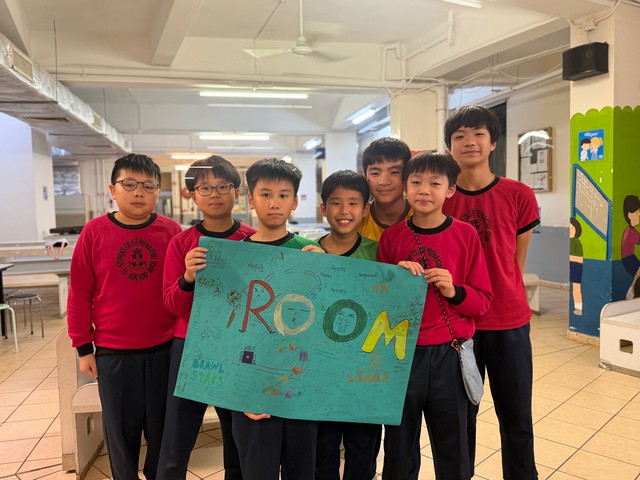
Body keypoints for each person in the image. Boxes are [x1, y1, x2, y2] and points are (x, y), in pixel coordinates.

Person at [67, 153, 183, 480]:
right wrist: (83, 348)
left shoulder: (171, 231)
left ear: (157, 191)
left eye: (148, 185)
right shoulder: (94, 232)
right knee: (119, 434)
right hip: (113, 354)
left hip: (164, 350)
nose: (138, 193)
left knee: (164, 431)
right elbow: (79, 293)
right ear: (112, 190)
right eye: (129, 184)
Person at [378, 151, 492, 480]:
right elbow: (379, 306)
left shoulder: (466, 235)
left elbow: (482, 301)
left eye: (435, 183)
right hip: (401, 355)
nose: (424, 190)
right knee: (398, 447)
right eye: (416, 182)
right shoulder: (392, 238)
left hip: (449, 355)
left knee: (454, 446)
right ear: (405, 188)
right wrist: (394, 281)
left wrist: (454, 290)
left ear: (450, 190)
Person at [442, 105, 540, 480]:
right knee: (459, 419)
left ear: (493, 142)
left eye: (478, 134)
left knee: (516, 418)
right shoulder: (440, 197)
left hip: (508, 322)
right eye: (460, 136)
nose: (470, 142)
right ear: (448, 147)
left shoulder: (519, 194)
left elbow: (514, 261)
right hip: (457, 325)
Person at [157, 155, 256, 480]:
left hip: (236, 349)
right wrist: (187, 278)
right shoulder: (181, 243)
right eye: (205, 188)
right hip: (191, 347)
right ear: (192, 195)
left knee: (238, 438)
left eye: (222, 186)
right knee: (177, 437)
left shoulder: (253, 240)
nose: (214, 194)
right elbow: (172, 305)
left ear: (237, 192)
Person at [232, 157, 323, 480]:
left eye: (283, 195)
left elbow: (324, 326)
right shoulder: (233, 257)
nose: (274, 203)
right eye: (265, 194)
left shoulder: (311, 252)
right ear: (251, 199)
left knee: (302, 470)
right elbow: (228, 330)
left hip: (300, 386)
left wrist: (329, 273)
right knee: (257, 470)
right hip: (252, 388)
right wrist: (240, 392)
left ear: (295, 201)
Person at [315, 170, 379, 480]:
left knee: (363, 449)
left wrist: (405, 272)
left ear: (365, 209)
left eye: (353, 203)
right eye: (336, 202)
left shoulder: (378, 253)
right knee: (322, 450)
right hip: (319, 376)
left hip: (364, 375)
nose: (344, 211)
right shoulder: (307, 252)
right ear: (323, 208)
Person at [359, 137, 413, 242]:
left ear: (407, 175)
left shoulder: (422, 215)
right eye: (375, 173)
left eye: (394, 172)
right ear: (365, 177)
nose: (384, 181)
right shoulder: (358, 219)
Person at [569, 217, 584, 315]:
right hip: (570, 265)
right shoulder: (567, 241)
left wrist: (570, 257)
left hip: (576, 267)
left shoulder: (577, 243)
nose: (569, 231)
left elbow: (580, 259)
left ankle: (578, 308)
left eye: (571, 228)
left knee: (576, 288)